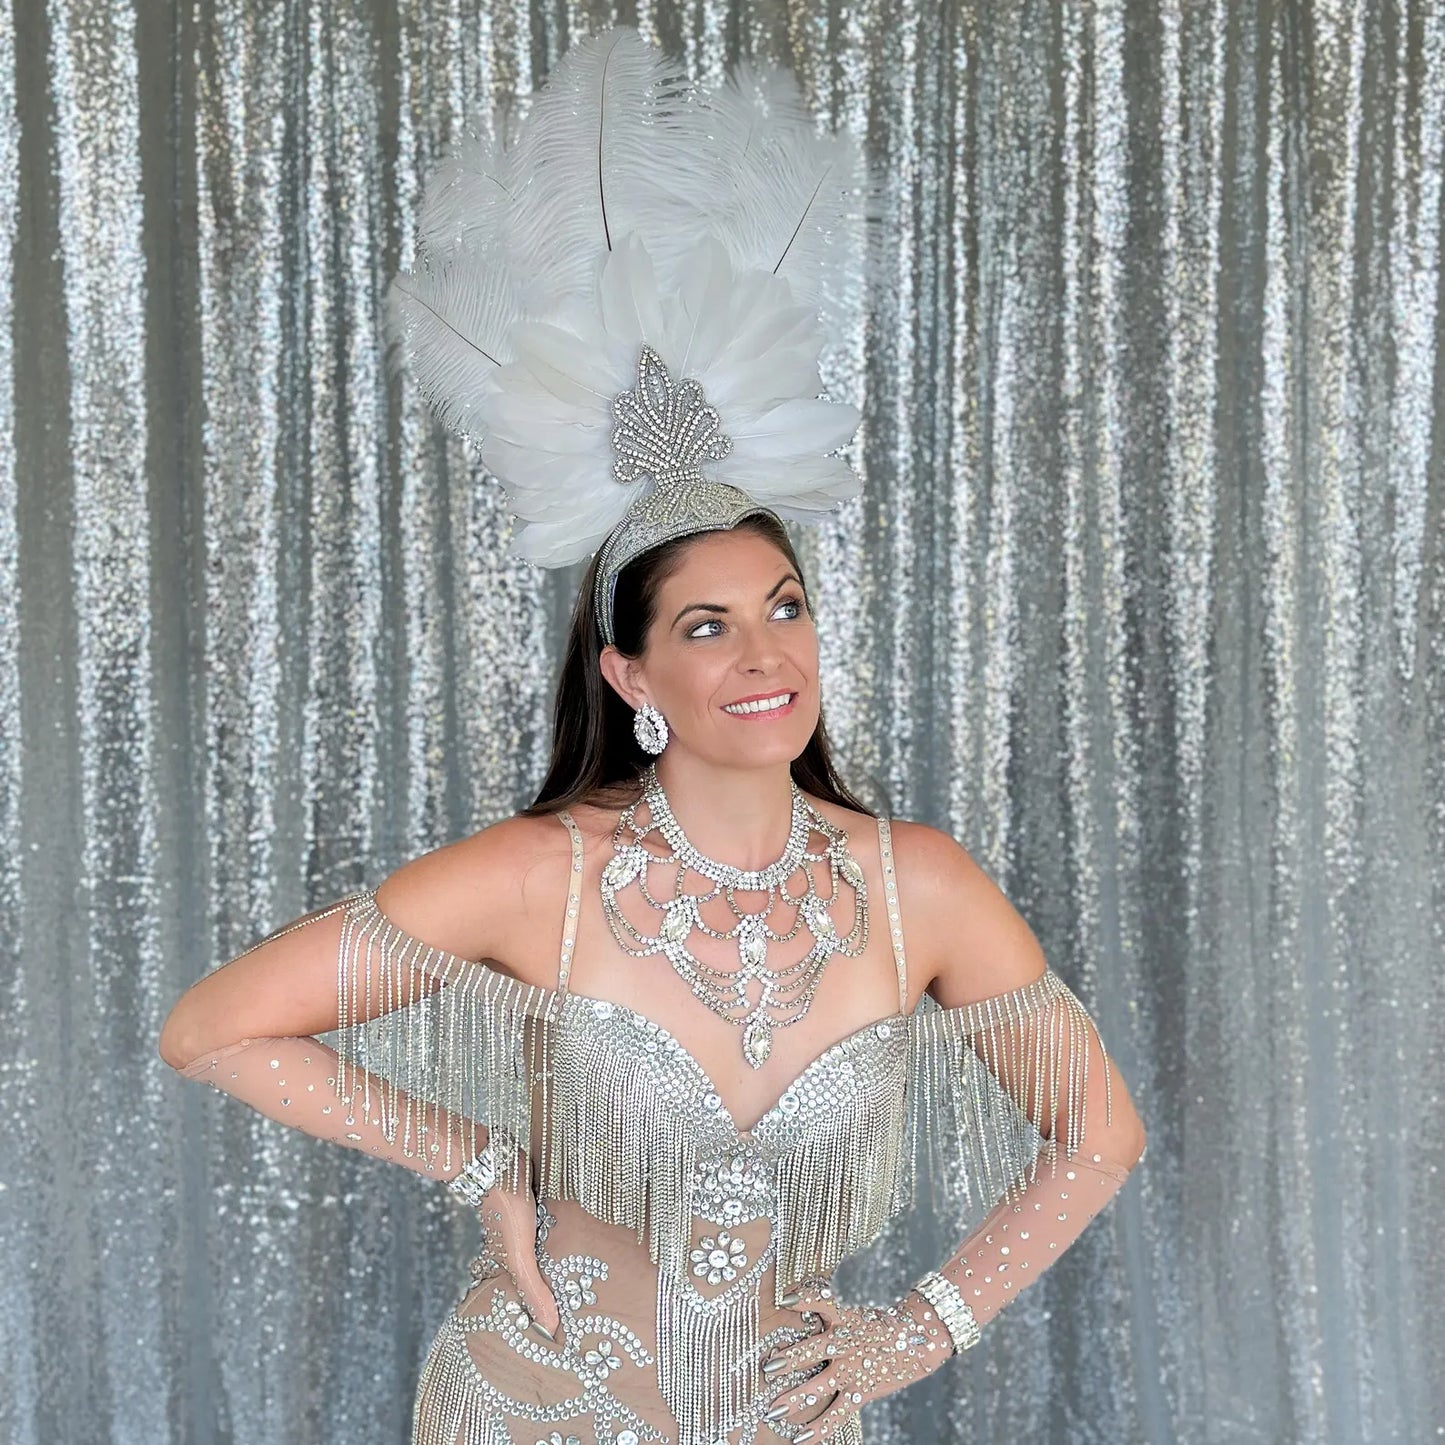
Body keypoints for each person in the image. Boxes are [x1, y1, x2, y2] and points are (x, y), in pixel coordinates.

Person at [159, 26, 1147, 1445]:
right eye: (705, 625)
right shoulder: (539, 875)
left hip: (782, 1423)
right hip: (530, 1408)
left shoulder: (913, 885)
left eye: (784, 606)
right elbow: (213, 1025)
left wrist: (914, 1333)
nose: (763, 653)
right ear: (628, 671)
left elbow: (1096, 1132)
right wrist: (474, 1161)